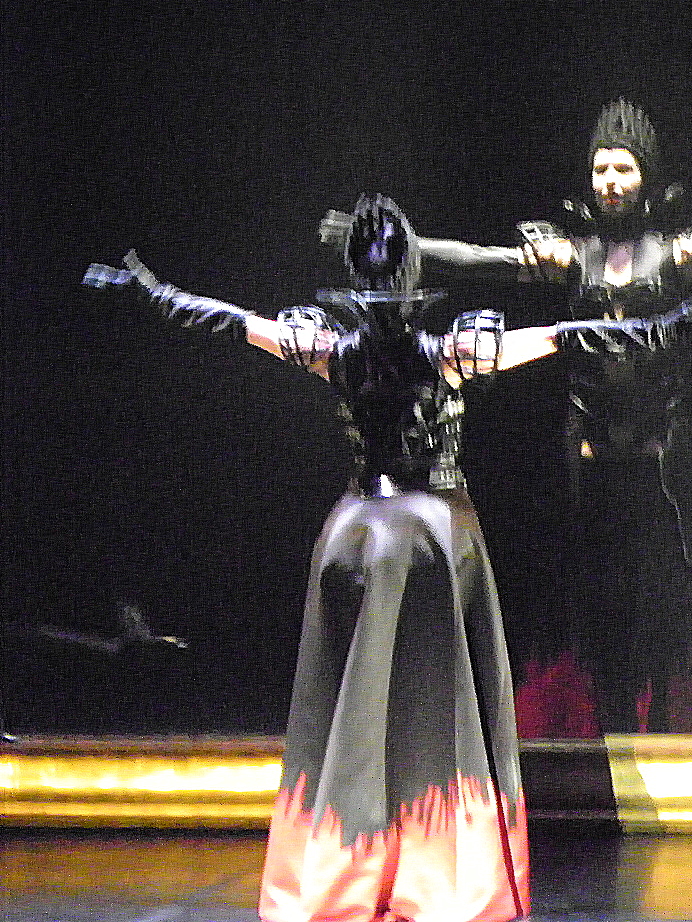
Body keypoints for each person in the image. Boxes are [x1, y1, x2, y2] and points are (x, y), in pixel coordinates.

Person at [323, 101, 692, 736]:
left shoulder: (676, 253)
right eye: (600, 169)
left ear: (647, 175)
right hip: (588, 463)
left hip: (666, 466)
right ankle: (582, 729)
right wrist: (392, 242)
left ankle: (684, 727)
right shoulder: (569, 255)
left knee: (678, 602)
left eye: (623, 169)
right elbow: (479, 257)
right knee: (586, 603)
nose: (609, 182)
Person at [83, 195, 565, 922]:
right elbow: (564, 337)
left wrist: (154, 293)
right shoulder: (441, 352)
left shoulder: (345, 352)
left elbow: (229, 320)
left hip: (362, 531)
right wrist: (657, 327)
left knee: (360, 693)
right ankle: (429, 866)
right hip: (425, 531)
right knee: (420, 692)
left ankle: (354, 863)